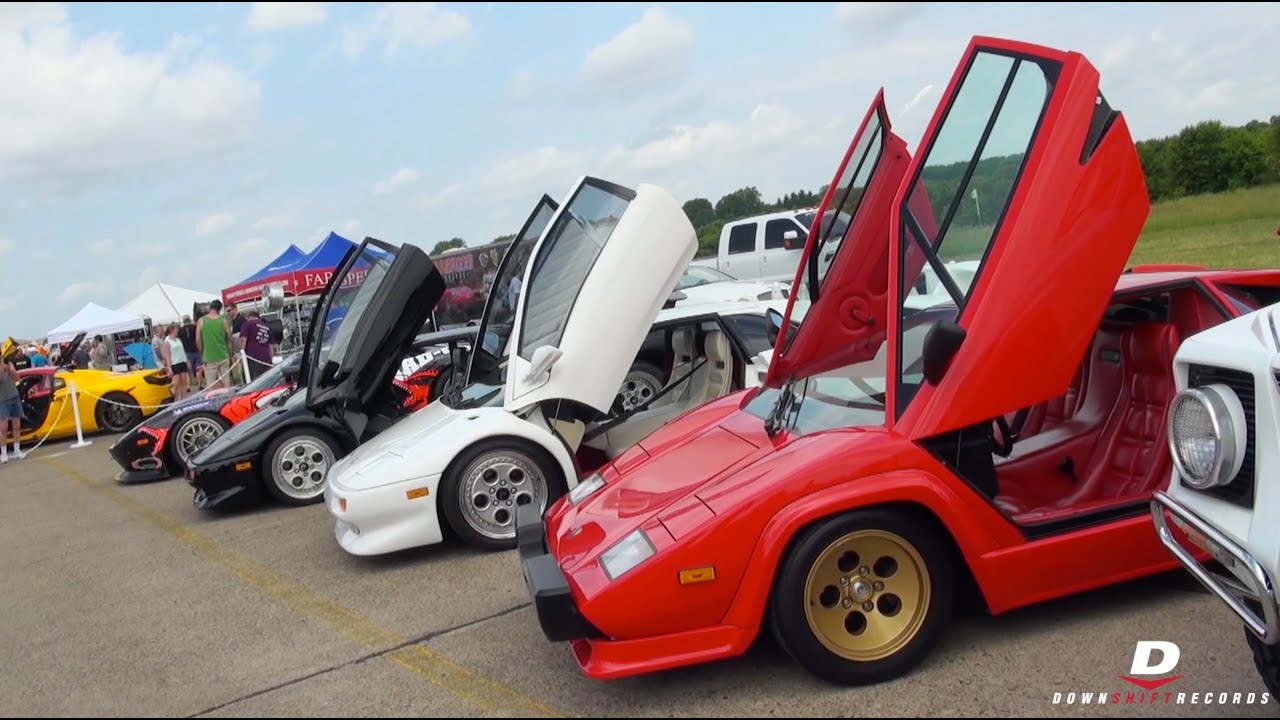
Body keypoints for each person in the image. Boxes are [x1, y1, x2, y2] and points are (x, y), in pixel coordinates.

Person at [196, 299, 234, 389]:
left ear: (210, 307)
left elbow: (197, 340)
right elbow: (229, 337)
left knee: (210, 384)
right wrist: (229, 352)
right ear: (219, 309)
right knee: (226, 382)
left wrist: (202, 353)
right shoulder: (223, 321)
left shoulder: (201, 321)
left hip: (209, 357)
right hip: (223, 355)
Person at [0, 341, 24, 462]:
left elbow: (17, 378)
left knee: (17, 425)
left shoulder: (9, 364)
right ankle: (3, 454)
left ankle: (17, 450)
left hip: (14, 396)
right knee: (3, 428)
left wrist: (10, 370)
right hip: (2, 400)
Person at [238, 310, 274, 381]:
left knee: (253, 382)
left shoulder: (248, 324)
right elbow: (271, 346)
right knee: (265, 381)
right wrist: (270, 360)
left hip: (252, 358)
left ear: (248, 317)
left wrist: (241, 354)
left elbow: (243, 339)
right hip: (265, 359)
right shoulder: (266, 327)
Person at [162, 323, 190, 401]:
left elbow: (182, 350)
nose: (177, 331)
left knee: (184, 382)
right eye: (175, 329)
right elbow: (167, 355)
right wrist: (169, 367)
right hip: (175, 363)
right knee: (177, 383)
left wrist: (186, 360)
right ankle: (176, 399)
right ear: (172, 330)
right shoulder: (167, 342)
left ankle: (184, 398)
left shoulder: (178, 340)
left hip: (182, 361)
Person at [177, 315, 202, 388]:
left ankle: (188, 386)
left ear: (183, 321)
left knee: (188, 371)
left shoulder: (180, 330)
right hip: (196, 350)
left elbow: (180, 342)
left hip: (186, 352)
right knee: (198, 368)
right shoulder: (195, 327)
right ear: (189, 320)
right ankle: (200, 384)